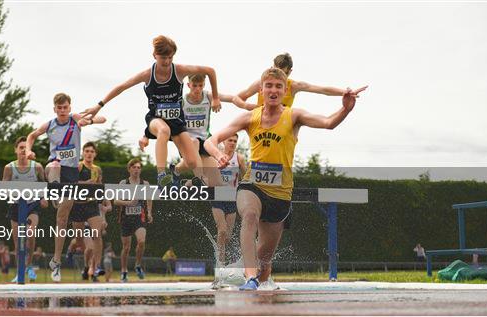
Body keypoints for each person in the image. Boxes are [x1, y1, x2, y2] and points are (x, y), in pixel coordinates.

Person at [205, 67, 360, 290]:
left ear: (285, 90)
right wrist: (218, 154)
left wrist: (345, 109)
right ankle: (249, 276)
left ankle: (250, 275)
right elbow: (211, 140)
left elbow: (328, 123)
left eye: (278, 86)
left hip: (280, 194)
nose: (273, 90)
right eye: (269, 85)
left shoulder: (294, 115)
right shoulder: (250, 117)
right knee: (248, 216)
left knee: (265, 262)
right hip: (253, 185)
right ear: (261, 89)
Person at [81, 35, 221, 187]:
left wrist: (215, 97)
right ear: (155, 55)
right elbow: (121, 87)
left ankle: (174, 171)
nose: (167, 62)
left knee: (192, 161)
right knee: (164, 130)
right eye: (163, 58)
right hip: (156, 118)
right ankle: (162, 175)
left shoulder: (179, 70)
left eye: (170, 57)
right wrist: (99, 105)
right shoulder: (147, 75)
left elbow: (210, 71)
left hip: (177, 121)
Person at [26, 92, 106, 282]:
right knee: (53, 166)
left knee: (61, 221)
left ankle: (55, 261)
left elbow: (103, 118)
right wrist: (29, 150)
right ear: (55, 109)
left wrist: (90, 121)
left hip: (71, 173)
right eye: (59, 108)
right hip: (55, 167)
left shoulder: (75, 119)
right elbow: (32, 135)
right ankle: (55, 194)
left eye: (65, 108)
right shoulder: (50, 125)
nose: (62, 111)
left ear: (69, 108)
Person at [233, 53, 367, 110]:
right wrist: (252, 108)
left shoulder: (294, 86)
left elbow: (322, 90)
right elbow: (238, 98)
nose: (277, 76)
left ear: (289, 72)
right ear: (271, 67)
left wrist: (345, 92)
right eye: (275, 70)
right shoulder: (261, 84)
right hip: (260, 128)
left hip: (282, 129)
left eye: (282, 73)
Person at [3, 136, 48, 282]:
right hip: (16, 205)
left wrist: (44, 197)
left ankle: (29, 266)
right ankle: (20, 272)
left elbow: (45, 184)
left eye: (25, 147)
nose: (23, 150)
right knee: (18, 242)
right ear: (15, 150)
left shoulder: (37, 167)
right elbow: (2, 187)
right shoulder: (9, 168)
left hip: (32, 205)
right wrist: (12, 192)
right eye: (21, 147)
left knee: (30, 233)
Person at [68, 142, 111, 282]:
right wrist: (86, 183)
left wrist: (103, 215)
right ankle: (87, 266)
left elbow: (100, 189)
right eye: (87, 151)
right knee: (81, 241)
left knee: (97, 236)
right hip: (78, 206)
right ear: (83, 153)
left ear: (95, 154)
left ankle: (96, 267)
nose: (89, 154)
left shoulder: (97, 169)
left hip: (92, 205)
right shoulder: (79, 166)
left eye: (92, 151)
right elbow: (71, 184)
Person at [114, 158, 153, 282]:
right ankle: (124, 271)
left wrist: (150, 213)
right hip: (126, 218)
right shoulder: (123, 183)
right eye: (134, 167)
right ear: (129, 169)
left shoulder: (144, 183)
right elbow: (115, 201)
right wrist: (128, 203)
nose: (136, 170)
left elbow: (149, 199)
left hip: (139, 217)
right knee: (126, 247)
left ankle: (137, 265)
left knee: (141, 241)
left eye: (138, 167)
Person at [211, 134, 245, 266]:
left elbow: (246, 177)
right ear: (224, 142)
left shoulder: (239, 158)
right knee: (222, 230)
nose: (232, 143)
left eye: (235, 141)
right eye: (230, 140)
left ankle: (220, 253)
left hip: (232, 199)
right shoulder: (215, 158)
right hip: (218, 197)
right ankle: (220, 264)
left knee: (228, 236)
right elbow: (206, 175)